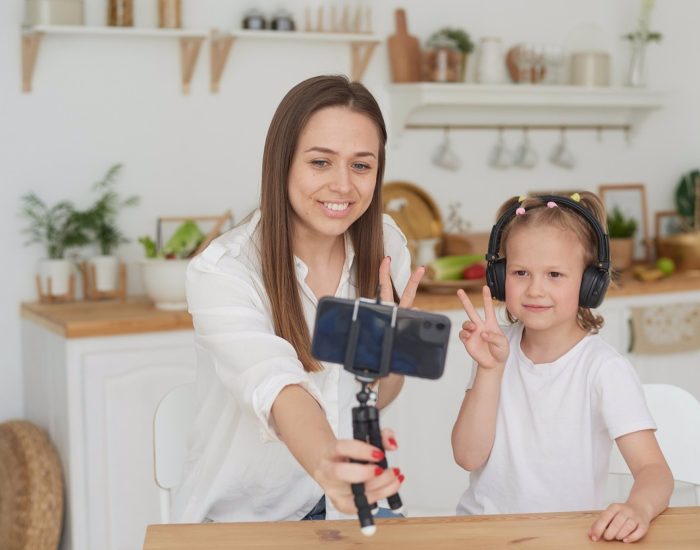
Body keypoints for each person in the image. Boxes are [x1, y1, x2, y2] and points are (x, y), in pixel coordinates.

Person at [171, 75, 424, 523]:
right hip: (241, 521)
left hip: (343, 506)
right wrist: (329, 465)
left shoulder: (386, 246)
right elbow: (278, 386)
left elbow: (378, 393)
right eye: (321, 163)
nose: (343, 186)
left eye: (361, 166)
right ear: (282, 163)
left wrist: (386, 352)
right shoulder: (224, 270)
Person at [451, 192, 673, 543]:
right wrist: (490, 371)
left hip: (567, 538)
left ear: (589, 283)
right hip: (483, 534)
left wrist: (639, 508)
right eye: (520, 272)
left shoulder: (603, 369)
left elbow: (654, 471)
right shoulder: (494, 348)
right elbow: (467, 455)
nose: (535, 289)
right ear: (498, 276)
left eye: (555, 274)